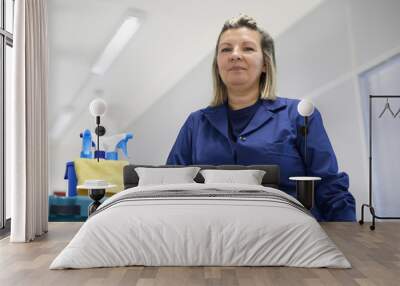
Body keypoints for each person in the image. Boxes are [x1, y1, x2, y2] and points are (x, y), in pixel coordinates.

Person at [166, 14, 355, 222]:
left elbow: (329, 187)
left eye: (247, 48)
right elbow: (170, 190)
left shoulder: (298, 116)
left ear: (265, 63)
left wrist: (352, 241)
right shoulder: (196, 124)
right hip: (212, 242)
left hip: (288, 242)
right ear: (218, 64)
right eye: (226, 49)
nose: (235, 55)